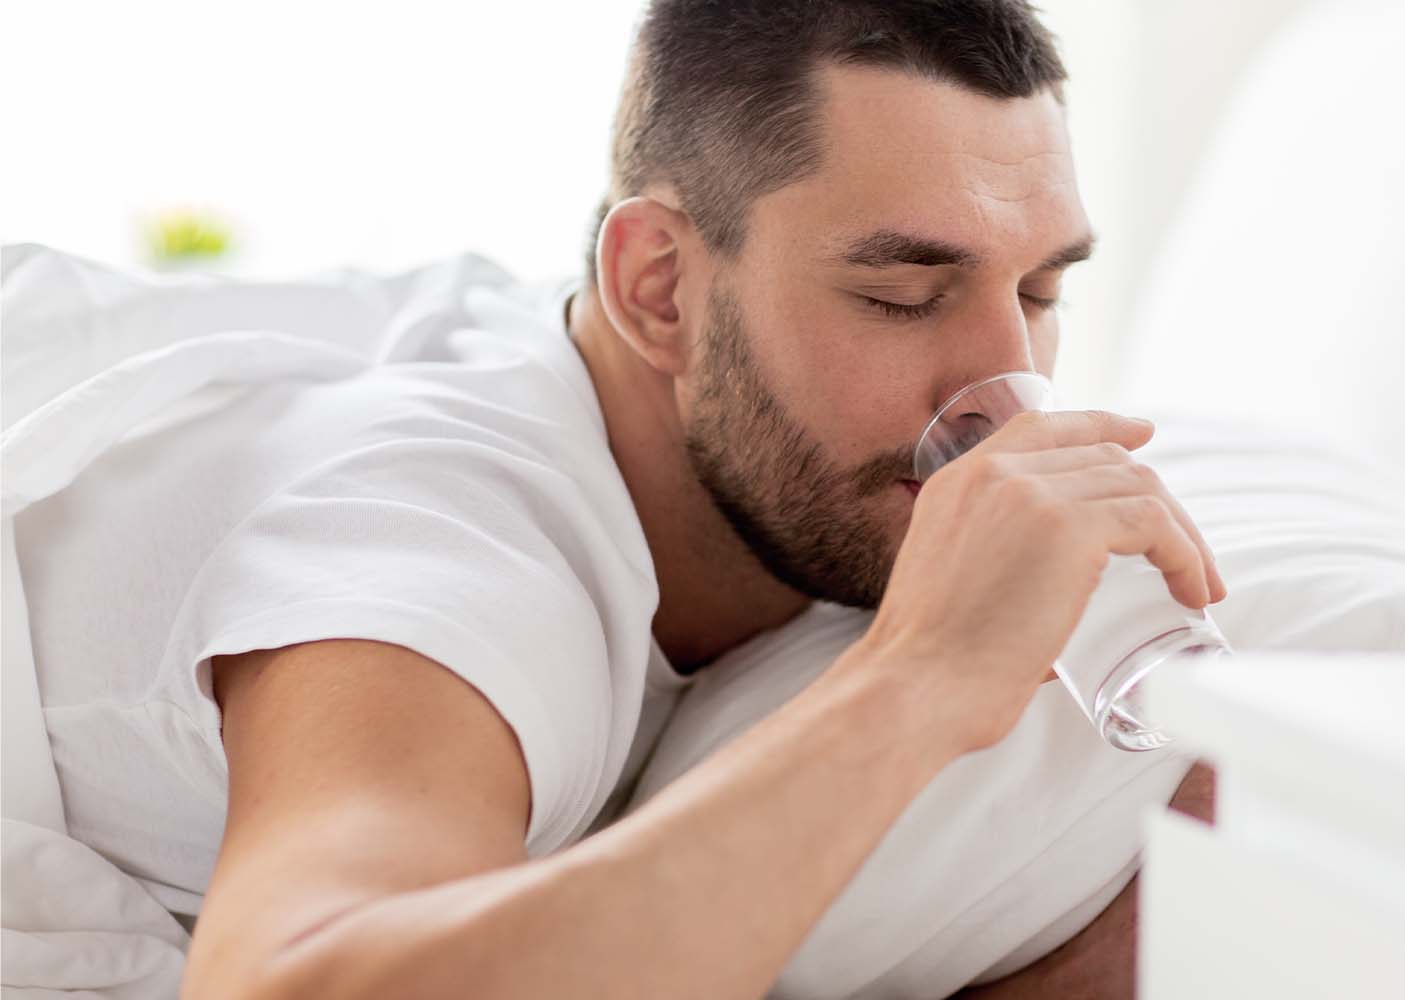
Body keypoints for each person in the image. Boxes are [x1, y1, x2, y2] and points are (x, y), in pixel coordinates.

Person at [10, 2, 1225, 997]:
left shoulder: (776, 485)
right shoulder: (438, 543)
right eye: (902, 295)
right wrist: (920, 678)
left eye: (1044, 293)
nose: (998, 378)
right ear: (657, 288)